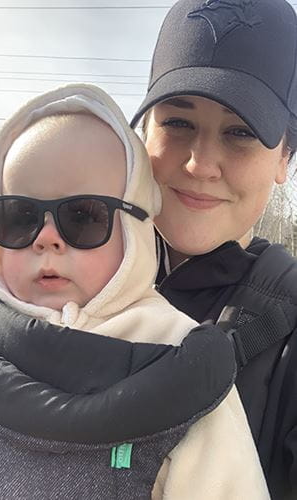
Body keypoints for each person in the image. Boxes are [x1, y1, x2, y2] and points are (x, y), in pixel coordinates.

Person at [0, 84, 269, 499]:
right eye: (20, 217)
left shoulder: (176, 354)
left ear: (136, 226)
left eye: (83, 216)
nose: (46, 239)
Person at [130, 0, 297, 498]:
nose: (201, 164)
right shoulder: (44, 273)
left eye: (241, 132)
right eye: (177, 123)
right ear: (144, 131)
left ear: (285, 157)